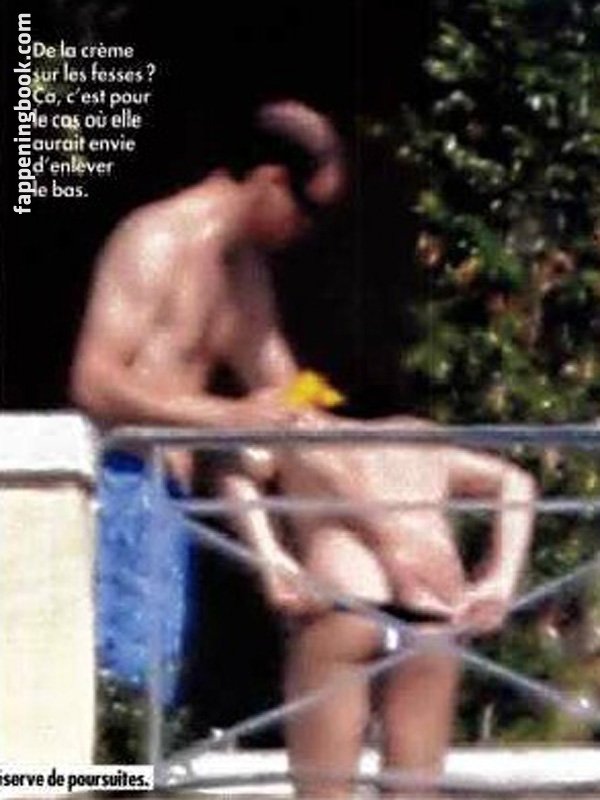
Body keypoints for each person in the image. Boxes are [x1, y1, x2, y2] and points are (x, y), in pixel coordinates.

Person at [69, 100, 347, 698]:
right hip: (125, 484)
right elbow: (94, 381)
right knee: (127, 690)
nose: (308, 232)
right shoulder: (155, 239)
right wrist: (232, 415)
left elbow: (283, 386)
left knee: (156, 688)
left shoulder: (244, 273)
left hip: (172, 497)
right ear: (272, 181)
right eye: (310, 210)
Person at [218, 413, 536, 798]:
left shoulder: (301, 432)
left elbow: (236, 472)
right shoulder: (420, 440)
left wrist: (269, 554)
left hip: (345, 598)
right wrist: (501, 579)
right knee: (414, 792)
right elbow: (516, 480)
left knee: (324, 791)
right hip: (431, 609)